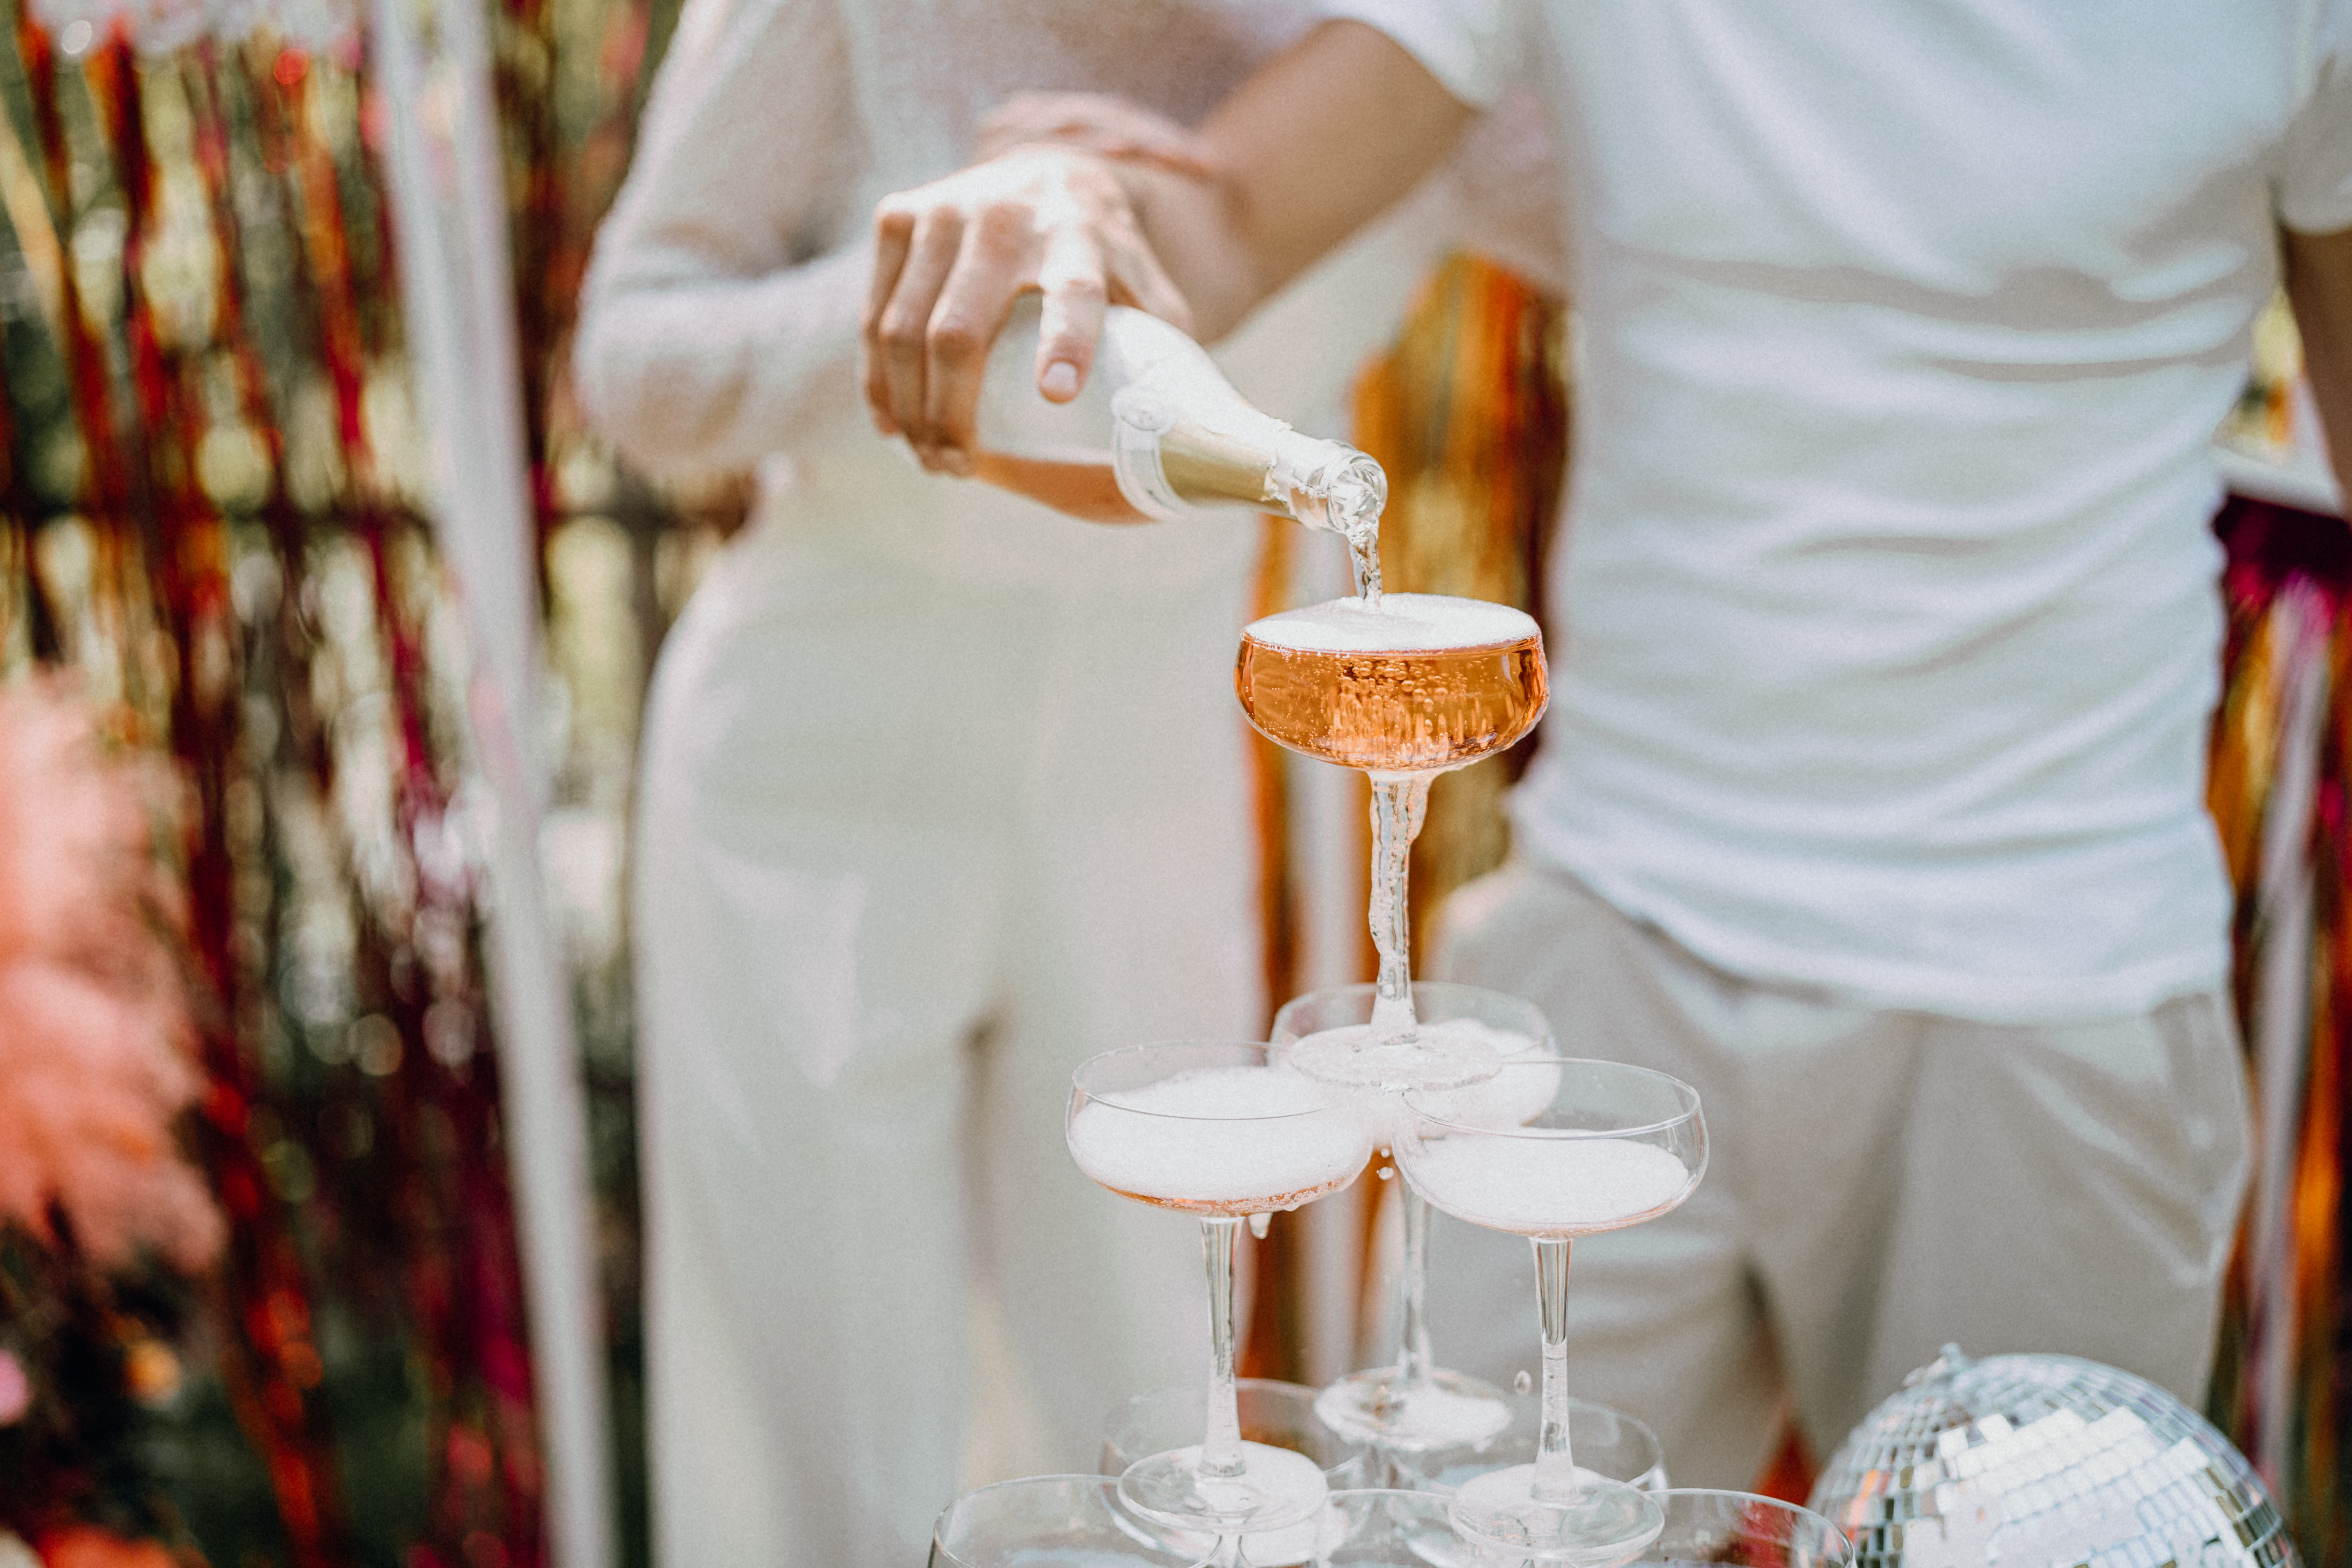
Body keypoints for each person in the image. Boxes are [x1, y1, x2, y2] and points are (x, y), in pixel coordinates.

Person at [861, 2, 2352, 1488]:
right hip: (1604, 958)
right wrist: (1074, 207)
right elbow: (1231, 211)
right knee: (1442, 1518)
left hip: (2058, 983)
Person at [569, 4, 1554, 1561]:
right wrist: (932, 312)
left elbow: (1729, 252)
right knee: (832, 1429)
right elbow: (633, 357)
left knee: (1157, 1403)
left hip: (1152, 781)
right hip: (817, 773)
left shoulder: (1438, 46)